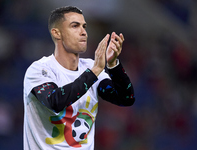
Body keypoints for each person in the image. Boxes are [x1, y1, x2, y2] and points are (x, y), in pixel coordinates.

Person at [23, 6, 135, 150]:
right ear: (57, 33)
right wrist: (94, 72)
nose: (83, 32)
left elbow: (126, 98)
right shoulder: (39, 70)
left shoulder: (91, 68)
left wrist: (113, 65)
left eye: (84, 26)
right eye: (75, 26)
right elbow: (55, 102)